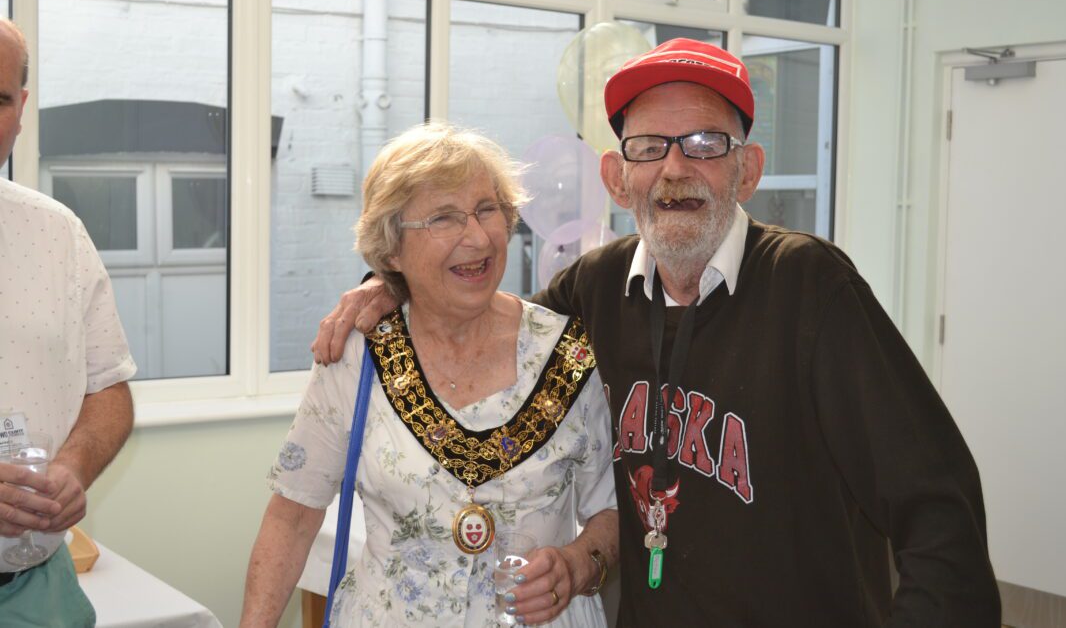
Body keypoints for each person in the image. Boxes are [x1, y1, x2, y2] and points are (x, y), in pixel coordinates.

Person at [311, 38, 1002, 626]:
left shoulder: (811, 289)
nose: (675, 168)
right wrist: (396, 283)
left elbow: (940, 508)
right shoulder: (591, 290)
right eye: (649, 147)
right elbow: (481, 314)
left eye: (705, 143)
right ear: (618, 177)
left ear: (747, 170)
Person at [241, 122, 618, 628]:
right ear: (391, 250)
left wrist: (576, 566)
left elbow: (612, 513)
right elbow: (292, 515)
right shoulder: (360, 353)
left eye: (489, 210)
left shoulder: (570, 355)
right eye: (444, 218)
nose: (478, 236)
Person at [0, 18, 137, 627]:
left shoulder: (57, 233)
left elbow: (108, 389)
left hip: (38, 587)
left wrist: (72, 467)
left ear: (21, 108)